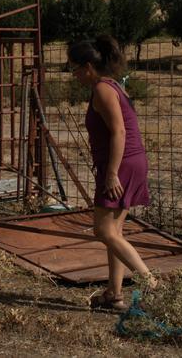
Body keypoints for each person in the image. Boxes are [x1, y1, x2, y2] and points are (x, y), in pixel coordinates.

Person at [67, 36, 157, 311]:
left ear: (88, 67)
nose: (74, 76)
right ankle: (114, 294)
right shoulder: (112, 86)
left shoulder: (103, 90)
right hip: (130, 161)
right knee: (114, 232)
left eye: (74, 69)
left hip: (121, 165)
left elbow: (119, 131)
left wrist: (111, 173)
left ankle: (152, 285)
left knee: (103, 230)